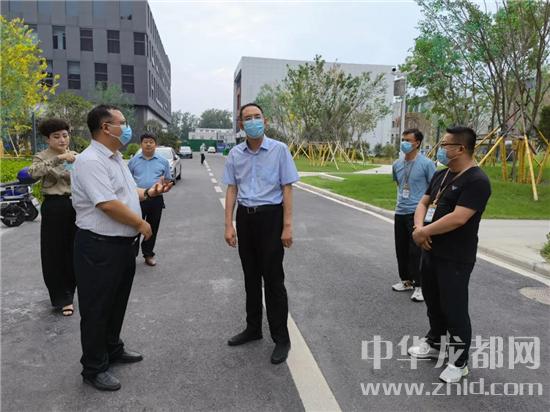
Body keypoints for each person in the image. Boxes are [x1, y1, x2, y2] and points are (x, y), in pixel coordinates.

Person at [71, 105, 172, 391]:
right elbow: (107, 204)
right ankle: (94, 367)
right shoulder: (91, 161)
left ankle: (112, 348)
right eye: (123, 123)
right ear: (106, 127)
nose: (127, 129)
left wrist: (150, 192)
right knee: (97, 308)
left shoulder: (116, 158)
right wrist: (141, 224)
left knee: (116, 303)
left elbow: (127, 194)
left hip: (122, 246)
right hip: (99, 247)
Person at [408, 126, 491, 383]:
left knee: (454, 309)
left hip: (455, 257)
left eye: (445, 145)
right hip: (430, 251)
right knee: (433, 302)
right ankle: (434, 342)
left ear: (460, 149)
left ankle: (459, 362)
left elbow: (459, 218)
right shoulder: (441, 175)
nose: (441, 149)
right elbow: (424, 202)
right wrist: (419, 228)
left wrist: (424, 232)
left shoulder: (477, 181)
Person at [223, 103, 299, 365]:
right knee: (251, 277)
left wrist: (287, 226)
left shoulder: (279, 150)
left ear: (265, 121)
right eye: (248, 118)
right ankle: (253, 328)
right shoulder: (235, 154)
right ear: (241, 125)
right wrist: (229, 224)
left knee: (274, 280)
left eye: (257, 117)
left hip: (271, 218)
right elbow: (232, 189)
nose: (253, 121)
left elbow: (287, 188)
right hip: (246, 218)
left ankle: (281, 338)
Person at [28, 119, 78, 317]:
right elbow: (33, 173)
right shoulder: (42, 157)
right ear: (48, 139)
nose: (62, 140)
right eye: (56, 136)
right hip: (54, 206)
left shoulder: (75, 156)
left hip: (76, 206)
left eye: (65, 135)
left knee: (74, 251)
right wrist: (59, 158)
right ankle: (61, 298)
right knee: (54, 253)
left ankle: (71, 292)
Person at [391, 129, 436, 302]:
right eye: (403, 139)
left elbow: (434, 188)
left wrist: (429, 213)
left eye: (407, 140)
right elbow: (399, 184)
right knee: (401, 249)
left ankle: (420, 286)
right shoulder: (397, 164)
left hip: (417, 214)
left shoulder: (427, 164)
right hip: (400, 211)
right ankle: (406, 281)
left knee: (416, 251)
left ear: (417, 143)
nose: (404, 143)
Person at [128, 133, 172, 266]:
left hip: (156, 199)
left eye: (151, 142)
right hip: (138, 199)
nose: (148, 144)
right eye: (145, 142)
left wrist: (164, 186)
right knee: (135, 226)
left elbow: (168, 180)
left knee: (153, 227)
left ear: (155, 145)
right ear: (141, 144)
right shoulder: (133, 161)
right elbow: (127, 181)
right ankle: (131, 255)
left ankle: (148, 254)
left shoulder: (163, 161)